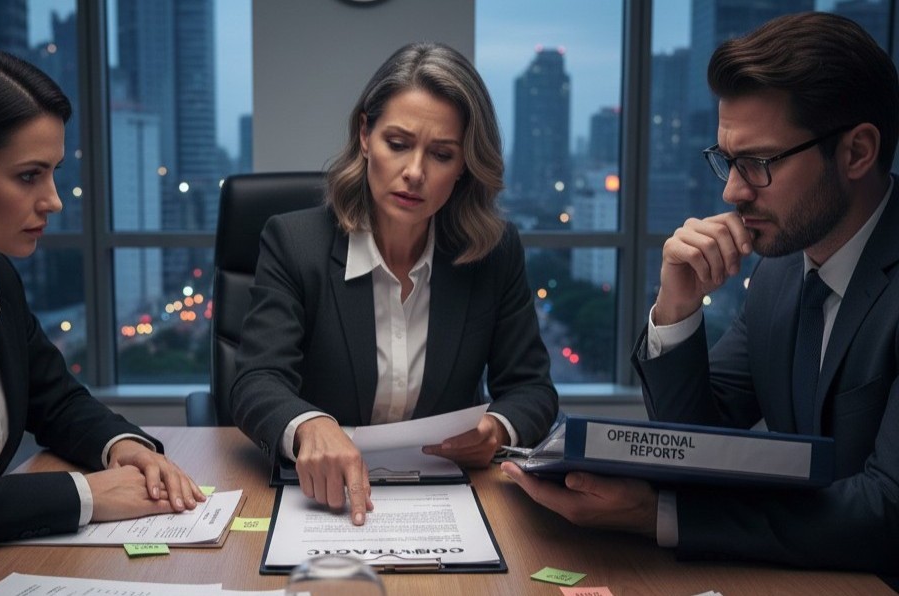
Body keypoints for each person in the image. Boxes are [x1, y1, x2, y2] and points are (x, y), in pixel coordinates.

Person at [502, 12, 899, 575]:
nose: (732, 191)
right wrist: (676, 309)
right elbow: (698, 443)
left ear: (857, 152)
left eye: (757, 163)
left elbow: (887, 511)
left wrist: (660, 516)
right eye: (726, 161)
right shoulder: (783, 275)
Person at [0, 46, 206, 566]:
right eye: (29, 175)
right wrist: (86, 497)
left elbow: (56, 400)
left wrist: (124, 447)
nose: (53, 200)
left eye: (53, 172)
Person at [231, 42, 560, 525]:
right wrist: (308, 425)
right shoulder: (294, 242)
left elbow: (532, 388)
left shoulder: (494, 251)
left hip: (447, 502)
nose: (414, 173)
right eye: (398, 143)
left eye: (442, 154)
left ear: (464, 163)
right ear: (365, 135)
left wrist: (496, 428)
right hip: (323, 502)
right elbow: (256, 380)